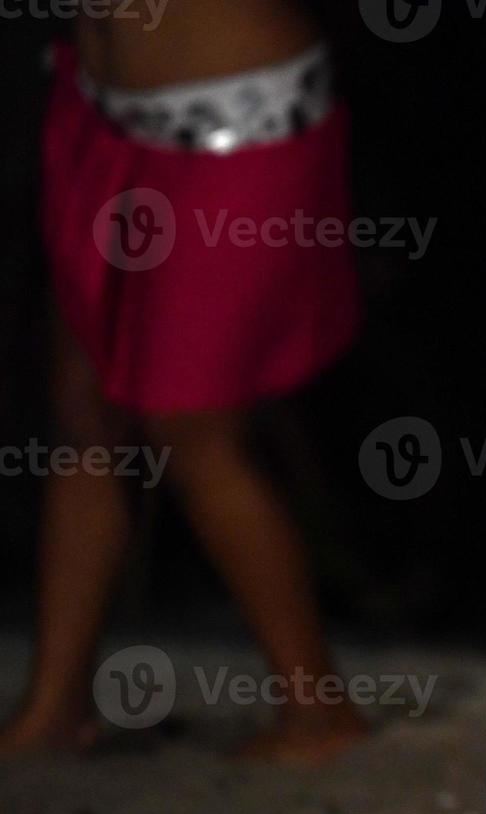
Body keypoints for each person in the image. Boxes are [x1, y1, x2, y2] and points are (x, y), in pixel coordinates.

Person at [0, 0, 364, 762]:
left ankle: (318, 708)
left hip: (237, 118)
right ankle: (54, 707)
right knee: (86, 416)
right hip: (99, 110)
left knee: (191, 431)